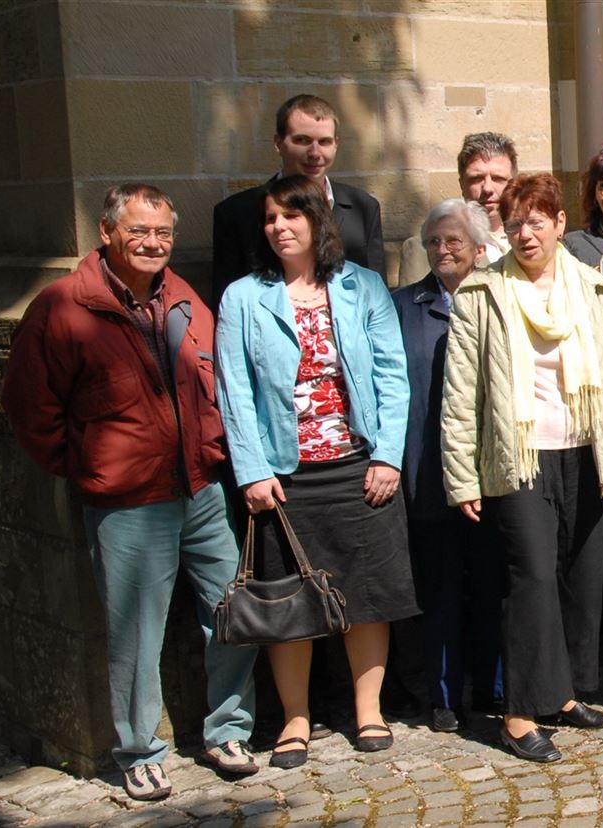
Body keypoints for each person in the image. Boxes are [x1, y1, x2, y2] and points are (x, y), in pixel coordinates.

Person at [5, 184, 260, 800]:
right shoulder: (63, 306)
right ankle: (139, 750)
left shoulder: (184, 298)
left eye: (163, 233)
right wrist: (91, 464)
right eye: (139, 231)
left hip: (200, 488)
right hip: (126, 500)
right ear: (107, 232)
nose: (152, 243)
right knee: (136, 635)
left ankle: (227, 729)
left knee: (234, 613)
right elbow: (30, 407)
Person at [215, 174, 418, 766]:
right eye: (271, 218)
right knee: (289, 601)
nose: (279, 227)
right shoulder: (243, 298)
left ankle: (368, 710)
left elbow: (392, 375)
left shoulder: (364, 287)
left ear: (317, 222)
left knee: (368, 592)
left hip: (358, 465)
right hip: (284, 474)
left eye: (292, 216)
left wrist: (387, 455)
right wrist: (251, 470)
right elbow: (234, 391)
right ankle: (296, 718)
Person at [441, 173, 603, 762]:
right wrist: (462, 477)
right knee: (530, 579)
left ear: (559, 224)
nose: (526, 233)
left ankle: (562, 694)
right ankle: (520, 713)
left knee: (580, 577)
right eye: (514, 223)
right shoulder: (481, 294)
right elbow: (461, 395)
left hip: (586, 452)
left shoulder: (596, 290)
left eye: (537, 221)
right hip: (518, 456)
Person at [393, 198, 508, 732]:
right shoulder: (401, 307)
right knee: (439, 590)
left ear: (480, 248)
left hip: (494, 470)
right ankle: (443, 695)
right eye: (434, 241)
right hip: (428, 468)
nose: (442, 250)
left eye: (453, 240)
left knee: (492, 583)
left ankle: (493, 686)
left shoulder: (502, 299)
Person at [213, 94, 384, 307]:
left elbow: (378, 296)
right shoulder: (236, 213)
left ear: (336, 144)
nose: (315, 153)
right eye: (302, 140)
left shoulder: (363, 208)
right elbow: (226, 303)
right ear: (278, 143)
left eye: (324, 142)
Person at [396, 133, 517, 279]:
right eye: (476, 179)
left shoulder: (534, 240)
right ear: (461, 184)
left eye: (498, 178)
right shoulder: (424, 249)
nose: (487, 188)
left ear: (513, 184)